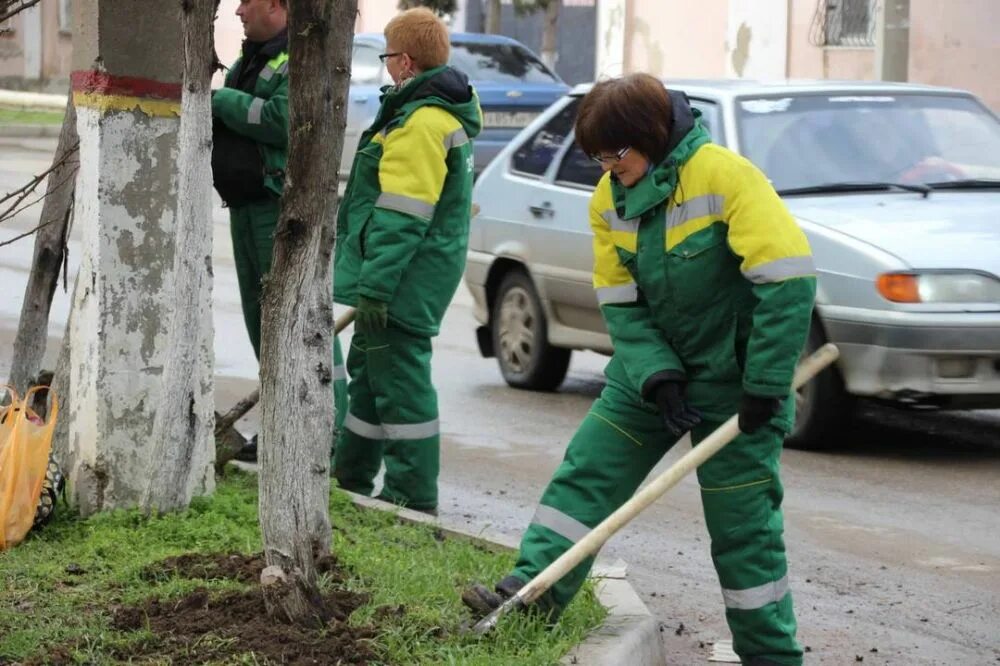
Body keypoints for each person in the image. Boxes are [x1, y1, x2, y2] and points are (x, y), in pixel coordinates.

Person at [462, 74, 816, 666]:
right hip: (648, 373)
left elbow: (789, 280)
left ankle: (770, 656)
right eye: (596, 158)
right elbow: (621, 300)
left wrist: (764, 385)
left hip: (734, 383)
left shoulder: (724, 177)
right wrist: (656, 374)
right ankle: (530, 596)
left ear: (646, 138)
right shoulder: (609, 199)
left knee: (743, 529)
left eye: (612, 155)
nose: (604, 169)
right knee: (586, 474)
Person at [332, 8, 482, 515]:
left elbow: (402, 217)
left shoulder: (421, 124)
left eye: (389, 56)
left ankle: (413, 497)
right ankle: (349, 479)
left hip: (402, 283)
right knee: (372, 381)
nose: (388, 65)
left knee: (401, 386)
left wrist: (375, 285)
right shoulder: (423, 115)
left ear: (406, 61)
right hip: (404, 279)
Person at [211, 0, 346, 462]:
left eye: (247, 1)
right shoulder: (253, 58)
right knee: (262, 323)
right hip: (246, 206)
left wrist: (222, 102)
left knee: (298, 322)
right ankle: (281, 429)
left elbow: (280, 121)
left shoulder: (299, 57)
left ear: (275, 4)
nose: (239, 11)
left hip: (277, 206)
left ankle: (321, 435)